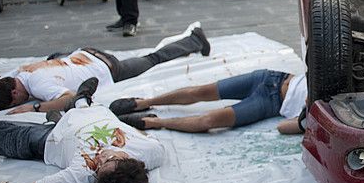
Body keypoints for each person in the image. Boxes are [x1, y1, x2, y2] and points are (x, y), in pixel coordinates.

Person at [0, 25, 210, 115]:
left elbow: (69, 99)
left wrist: (34, 107)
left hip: (107, 67)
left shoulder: (38, 87)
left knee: (152, 59)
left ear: (15, 96)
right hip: (83, 54)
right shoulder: (19, 73)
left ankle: (194, 40)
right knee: (54, 58)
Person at [0, 100, 165, 183]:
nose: (99, 161)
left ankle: (62, 115)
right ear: (129, 160)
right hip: (97, 112)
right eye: (108, 160)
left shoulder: (81, 176)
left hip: (52, 138)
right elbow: (147, 137)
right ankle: (78, 104)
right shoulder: (151, 151)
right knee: (89, 107)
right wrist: (127, 128)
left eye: (98, 169)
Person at [108, 69, 307, 136]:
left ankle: (153, 122)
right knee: (201, 91)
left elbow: (282, 127)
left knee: (210, 121)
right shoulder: (331, 76)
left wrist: (304, 122)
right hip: (272, 77)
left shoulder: (321, 114)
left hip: (270, 102)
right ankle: (144, 102)